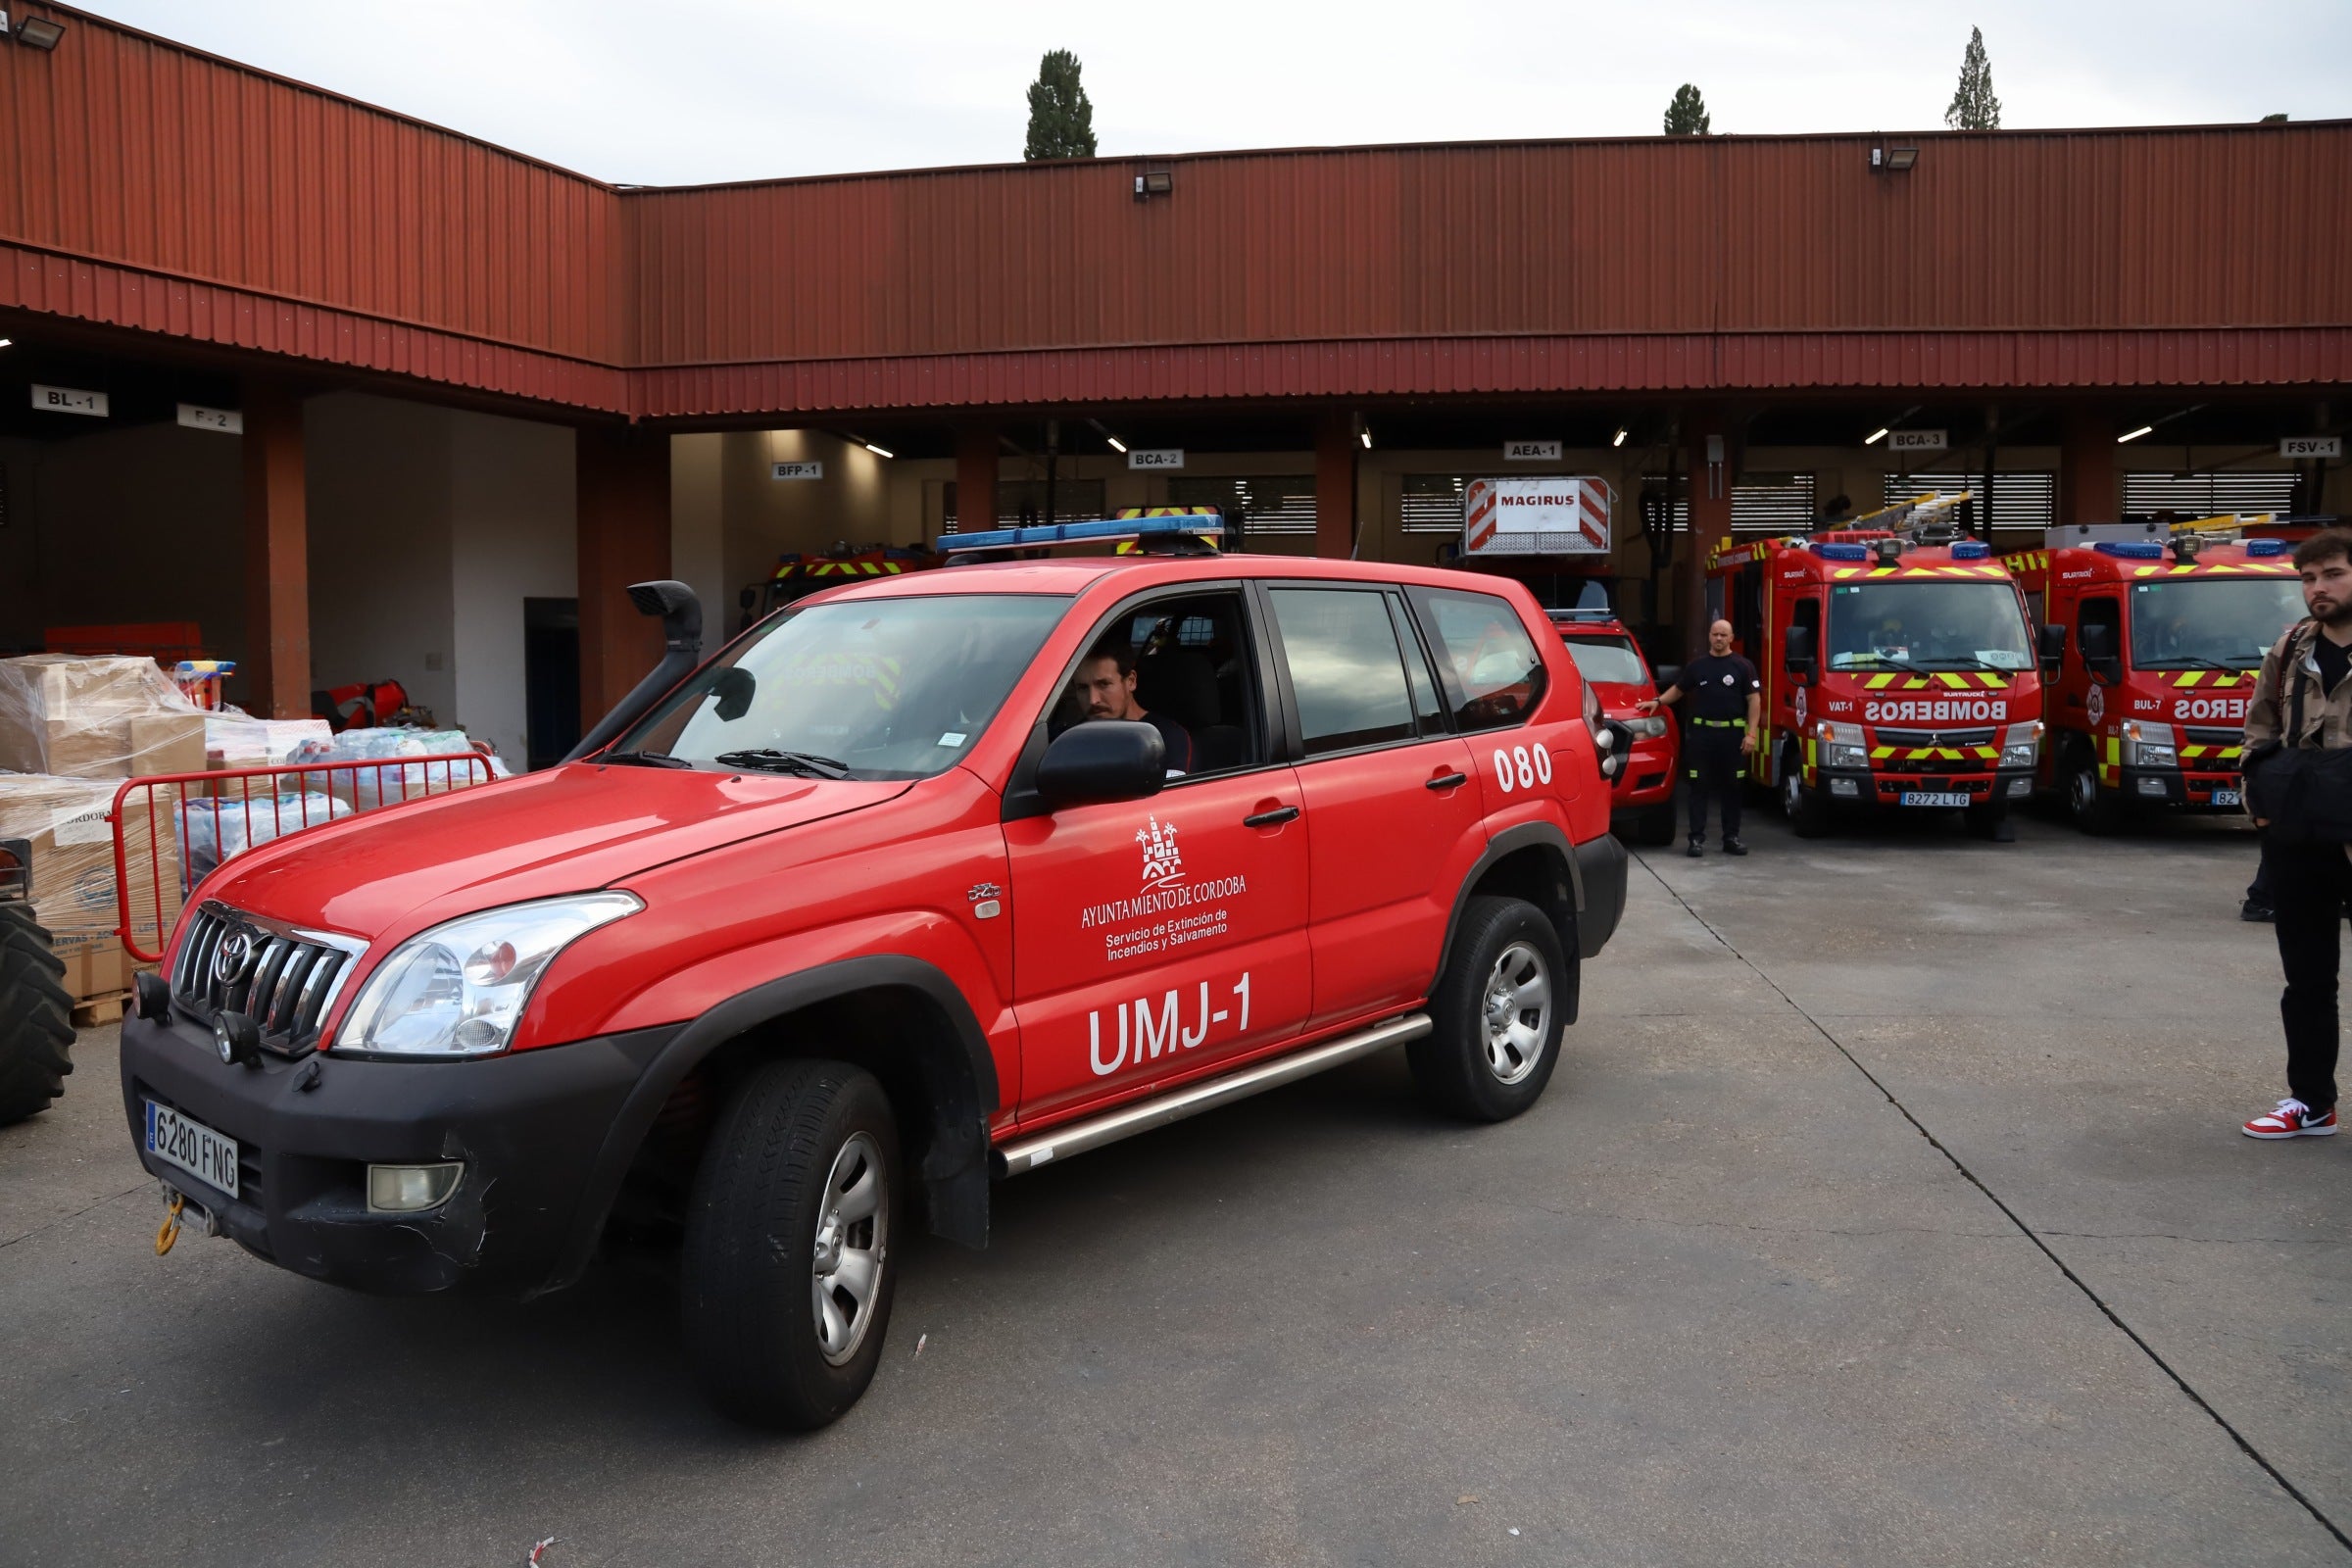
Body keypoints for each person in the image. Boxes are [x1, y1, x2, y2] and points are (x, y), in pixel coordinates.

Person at [2237, 527, 2352, 1139]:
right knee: (2307, 980)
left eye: (2332, 573)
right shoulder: (2291, 647)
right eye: (2308, 578)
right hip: (2300, 837)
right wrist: (2261, 805)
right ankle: (2311, 1102)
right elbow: (2258, 731)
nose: (2318, 589)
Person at [1640, 618, 1760, 858]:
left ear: (1731, 637)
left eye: (1723, 635)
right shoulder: (1698, 666)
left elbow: (1754, 700)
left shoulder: (1743, 666)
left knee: (1733, 788)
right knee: (1698, 787)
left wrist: (1751, 734)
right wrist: (1658, 701)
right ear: (1709, 636)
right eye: (1715, 634)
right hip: (1702, 736)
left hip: (1732, 736)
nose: (1718, 639)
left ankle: (1731, 838)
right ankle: (1696, 840)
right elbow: (1679, 688)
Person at [1074, 644, 1193, 775]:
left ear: (1131, 681)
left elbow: (1171, 795)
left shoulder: (1166, 737)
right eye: (1083, 688)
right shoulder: (1072, 739)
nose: (1093, 700)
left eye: (1104, 684)